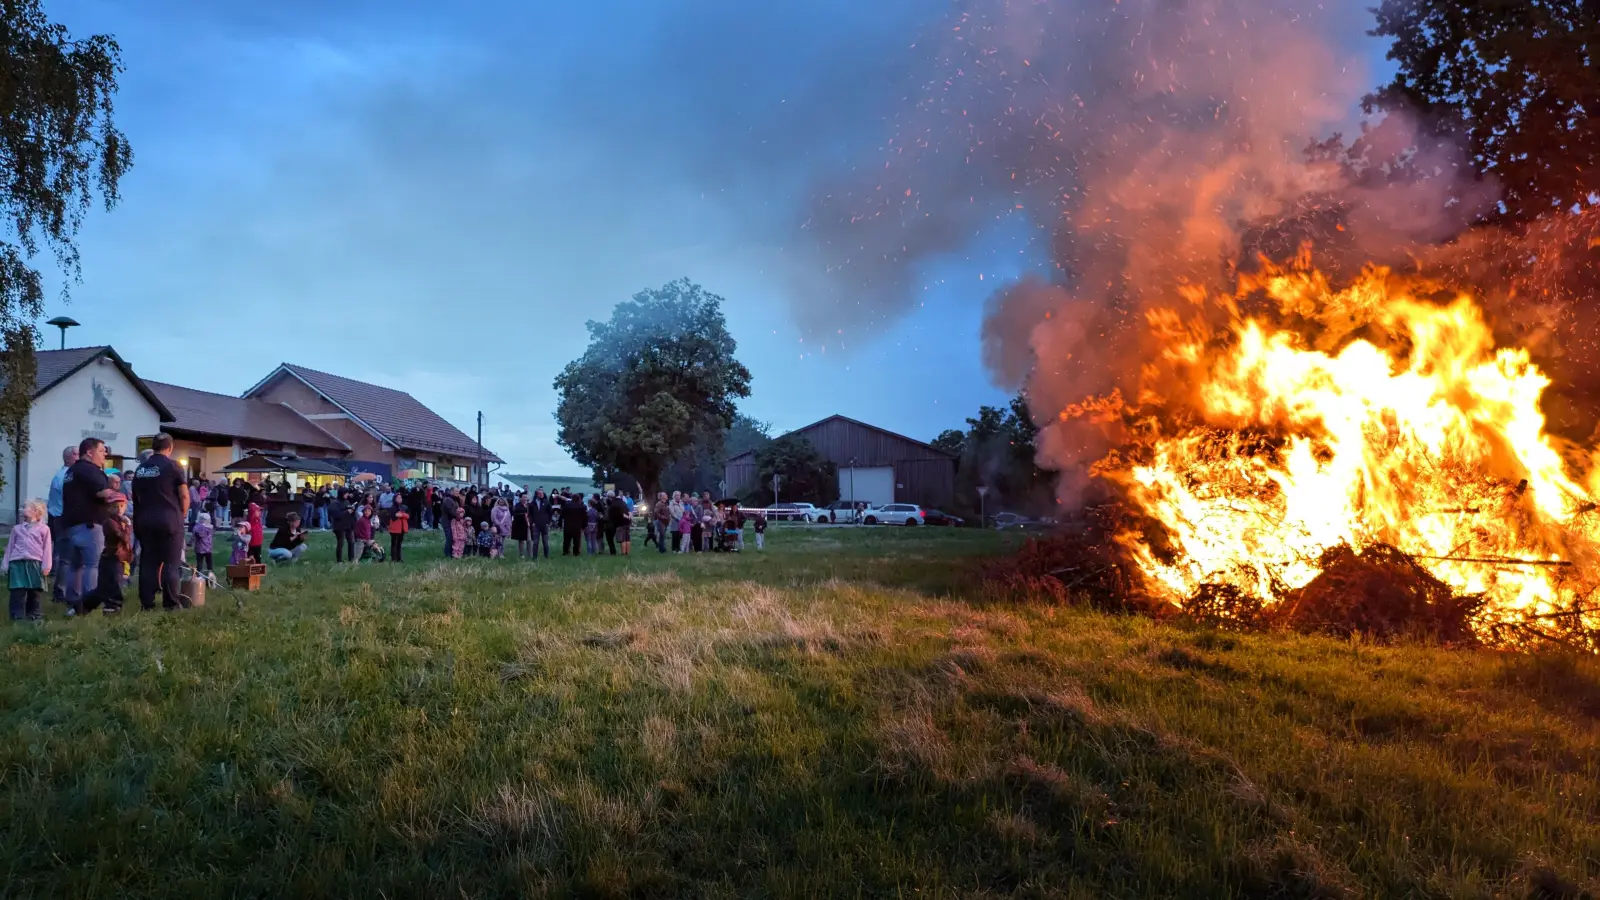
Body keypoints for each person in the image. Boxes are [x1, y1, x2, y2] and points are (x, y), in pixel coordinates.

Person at [59, 438, 119, 616]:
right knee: (93, 565)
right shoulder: (91, 470)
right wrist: (117, 495)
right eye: (101, 451)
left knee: (75, 566)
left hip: (71, 525)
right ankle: (89, 605)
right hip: (90, 525)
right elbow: (104, 493)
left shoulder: (72, 470)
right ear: (90, 452)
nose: (105, 454)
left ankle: (73, 602)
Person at [132, 433, 190, 612]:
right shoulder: (173, 466)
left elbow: (136, 497)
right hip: (169, 519)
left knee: (148, 562)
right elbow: (184, 495)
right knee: (171, 563)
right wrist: (182, 515)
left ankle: (147, 603)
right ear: (170, 447)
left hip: (145, 519)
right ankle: (171, 603)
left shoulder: (141, 469)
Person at [5, 499, 52, 621]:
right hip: (17, 563)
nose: (22, 510)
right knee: (17, 592)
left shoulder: (44, 529)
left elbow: (47, 548)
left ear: (36, 511)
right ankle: (17, 617)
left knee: (35, 591)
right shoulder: (17, 529)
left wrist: (46, 566)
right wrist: (5, 564)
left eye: (26, 507)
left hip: (35, 564)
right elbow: (10, 547)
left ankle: (34, 616)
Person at [46, 445, 76, 602]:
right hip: (63, 519)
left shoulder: (66, 474)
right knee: (65, 558)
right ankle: (60, 592)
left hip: (60, 517)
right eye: (77, 454)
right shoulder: (65, 476)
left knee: (66, 557)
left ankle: (65, 590)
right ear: (69, 457)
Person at [530, 489, 552, 559]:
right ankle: (534, 557)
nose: (541, 495)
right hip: (536, 524)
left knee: (545, 542)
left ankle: (546, 556)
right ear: (536, 494)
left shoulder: (546, 502)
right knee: (535, 542)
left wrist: (548, 522)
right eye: (539, 493)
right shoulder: (532, 503)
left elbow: (550, 513)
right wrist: (532, 522)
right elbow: (530, 514)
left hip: (544, 524)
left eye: (542, 493)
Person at [561, 491, 585, 556]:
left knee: (566, 540)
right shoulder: (581, 506)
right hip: (577, 526)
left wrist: (560, 524)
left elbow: (562, 514)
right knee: (576, 540)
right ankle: (576, 552)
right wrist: (583, 526)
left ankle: (565, 551)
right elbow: (584, 517)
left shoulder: (567, 505)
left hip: (567, 525)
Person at [192, 512, 215, 577]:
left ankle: (205, 575)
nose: (209, 521)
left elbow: (194, 536)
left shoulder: (198, 527)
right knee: (204, 563)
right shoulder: (208, 527)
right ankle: (205, 574)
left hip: (204, 548)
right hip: (204, 548)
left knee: (204, 563)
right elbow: (203, 535)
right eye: (208, 520)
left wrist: (190, 543)